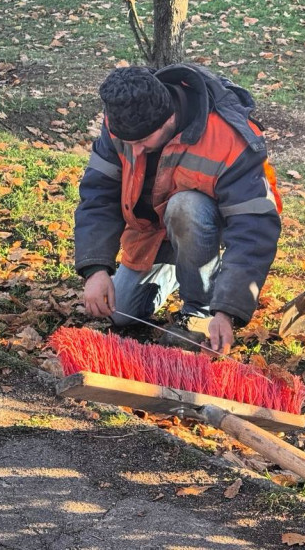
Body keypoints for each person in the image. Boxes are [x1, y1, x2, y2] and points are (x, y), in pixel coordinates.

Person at [74, 64, 282, 355]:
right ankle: (174, 269)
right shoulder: (120, 120)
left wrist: (226, 311)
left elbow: (255, 229)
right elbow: (99, 195)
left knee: (186, 207)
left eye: (142, 142)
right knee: (119, 313)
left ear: (168, 119)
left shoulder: (228, 139)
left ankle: (200, 310)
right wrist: (95, 269)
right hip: (152, 236)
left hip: (201, 227)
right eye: (127, 143)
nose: (133, 151)